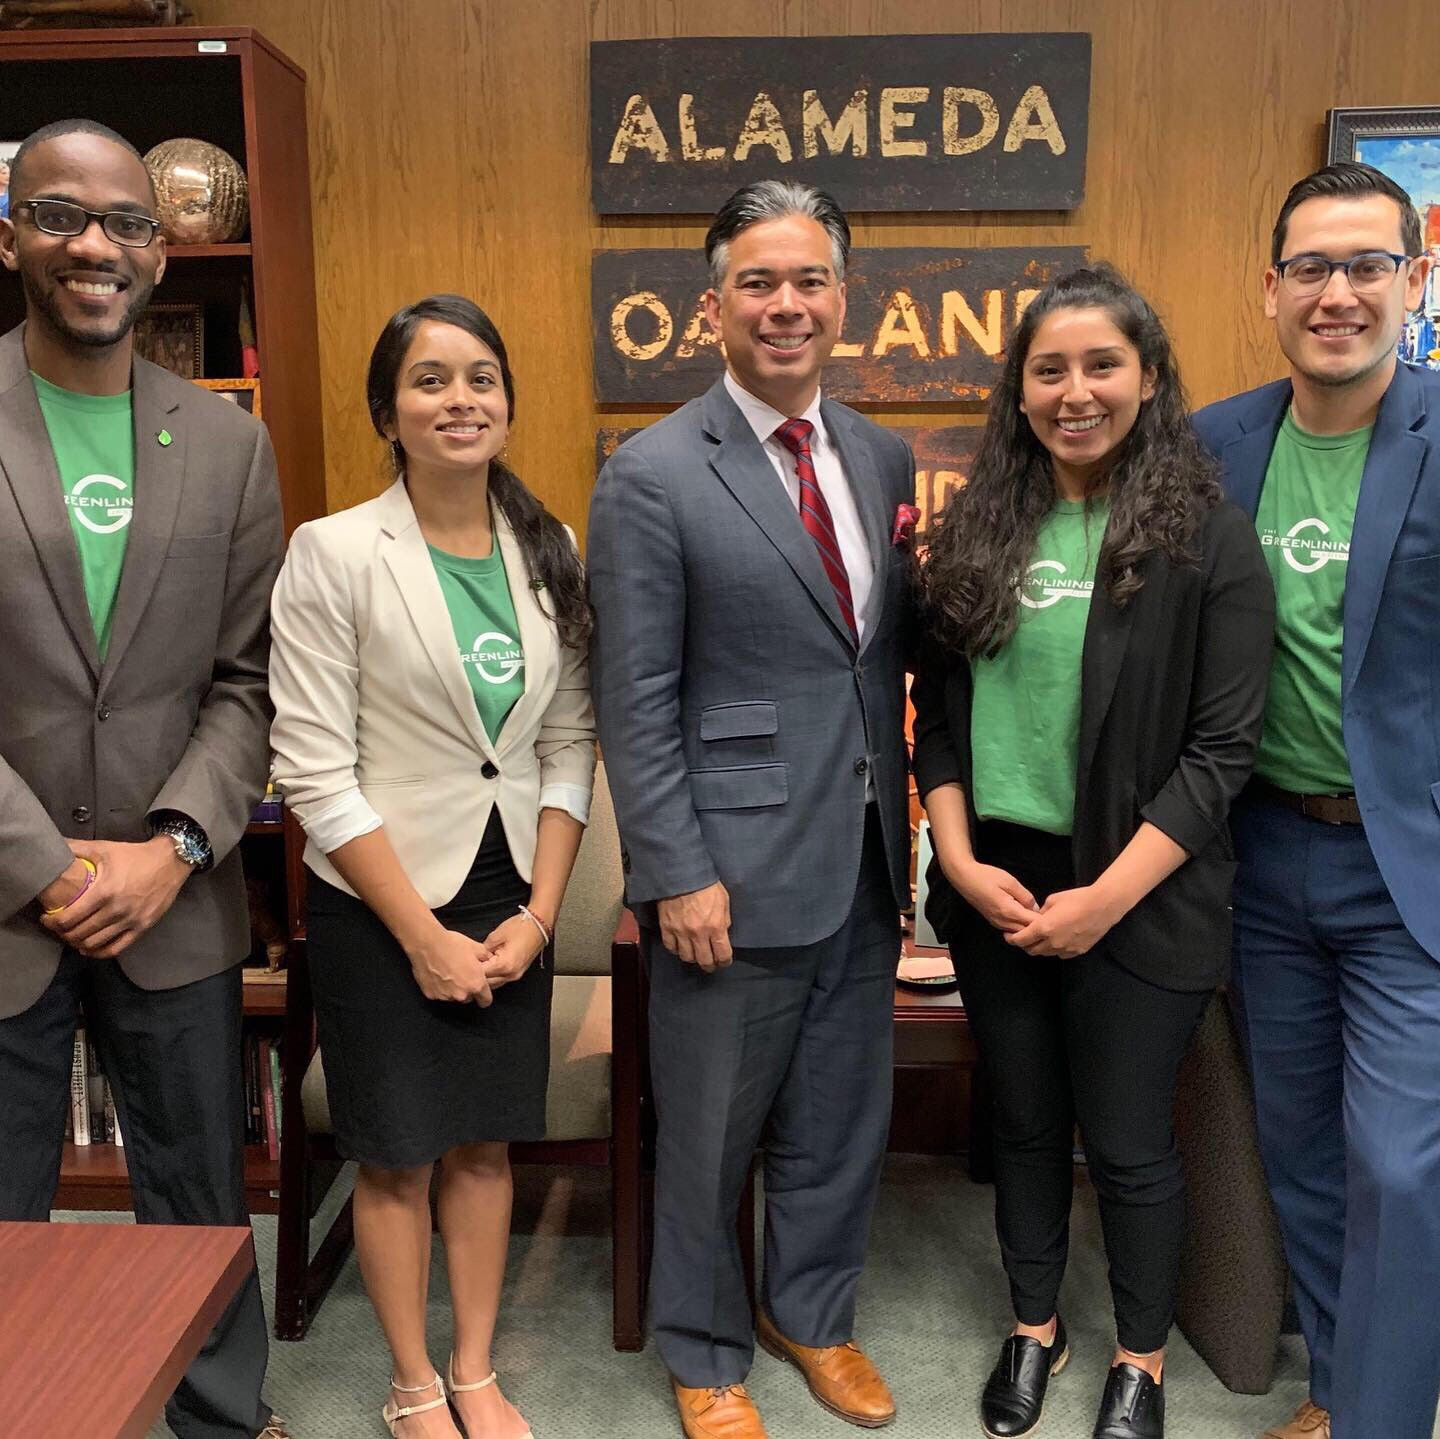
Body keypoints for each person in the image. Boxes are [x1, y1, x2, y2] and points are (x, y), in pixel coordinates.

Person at [912, 265, 1274, 1439]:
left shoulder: (1208, 541)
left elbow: (1220, 753)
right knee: (1022, 1120)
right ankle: (1035, 1324)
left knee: (1125, 1140)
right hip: (997, 884)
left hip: (1139, 890)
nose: (1076, 391)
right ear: (1018, 391)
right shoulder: (977, 532)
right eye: (1049, 369)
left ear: (1150, 378)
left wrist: (1100, 901)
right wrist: (960, 863)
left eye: (1102, 365)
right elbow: (939, 719)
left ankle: (1139, 1357)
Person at [587, 179, 916, 1439]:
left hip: (864, 854)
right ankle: (705, 1347)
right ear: (713, 306)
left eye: (810, 280)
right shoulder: (653, 473)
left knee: (840, 1118)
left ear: (843, 297)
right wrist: (673, 868)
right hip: (724, 867)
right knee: (712, 1131)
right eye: (759, 283)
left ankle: (812, 1314)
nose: (788, 305)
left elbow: (869, 657)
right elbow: (635, 695)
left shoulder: (878, 455)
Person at [0, 120, 288, 1439]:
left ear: (159, 256)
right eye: (60, 214)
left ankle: (216, 1416)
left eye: (125, 223)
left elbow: (251, 677)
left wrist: (172, 845)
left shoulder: (226, 443)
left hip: (175, 898)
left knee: (197, 1195)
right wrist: (47, 865)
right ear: (12, 236)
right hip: (8, 899)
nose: (94, 245)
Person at [268, 294, 595, 1439]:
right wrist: (420, 934)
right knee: (396, 1153)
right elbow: (313, 770)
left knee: (486, 1142)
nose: (461, 399)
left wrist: (542, 914)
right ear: (387, 411)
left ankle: (474, 1366)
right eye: (430, 379)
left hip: (510, 893)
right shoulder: (334, 551)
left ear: (507, 401)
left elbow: (567, 744)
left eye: (481, 377)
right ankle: (411, 1378)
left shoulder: (552, 548)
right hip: (381, 900)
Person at [1194, 161, 1440, 1439]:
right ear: (1271, 288)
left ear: (1414, 280)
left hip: (1408, 869)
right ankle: (1342, 1390)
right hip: (1262, 861)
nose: (1337, 292)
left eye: (1367, 265)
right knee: (1302, 1150)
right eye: (1311, 268)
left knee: (1400, 1162)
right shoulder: (1216, 443)